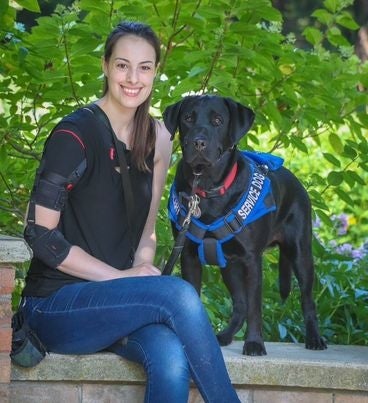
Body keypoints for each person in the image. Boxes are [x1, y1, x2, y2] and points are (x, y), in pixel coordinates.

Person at [20, 21, 241, 403]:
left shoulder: (158, 138)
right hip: (56, 306)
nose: (133, 78)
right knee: (179, 295)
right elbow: (41, 237)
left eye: (144, 67)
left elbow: (147, 233)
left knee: (170, 358)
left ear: (156, 71)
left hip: (116, 303)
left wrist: (138, 271)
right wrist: (123, 280)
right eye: (123, 65)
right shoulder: (73, 135)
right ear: (105, 66)